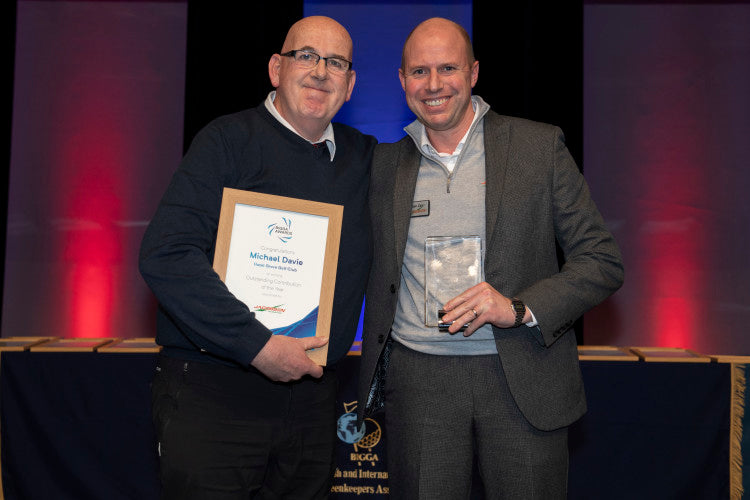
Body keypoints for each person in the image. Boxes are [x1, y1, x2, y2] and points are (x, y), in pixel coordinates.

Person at [357, 17, 624, 499]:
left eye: (448, 68)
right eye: (419, 71)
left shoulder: (537, 147)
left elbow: (601, 260)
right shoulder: (383, 165)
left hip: (521, 377)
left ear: (474, 72)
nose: (434, 84)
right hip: (420, 384)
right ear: (401, 81)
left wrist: (518, 308)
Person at [139, 16, 376, 499]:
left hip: (312, 405)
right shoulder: (225, 141)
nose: (319, 72)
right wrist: (257, 345)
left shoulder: (367, 159)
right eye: (305, 56)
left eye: (335, 63)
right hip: (215, 394)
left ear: (350, 85)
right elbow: (167, 254)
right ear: (275, 68)